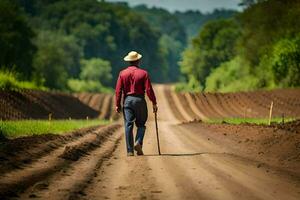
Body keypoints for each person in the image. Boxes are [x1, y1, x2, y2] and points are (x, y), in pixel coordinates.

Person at [115, 51, 158, 156]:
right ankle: (138, 142)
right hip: (139, 101)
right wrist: (154, 102)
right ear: (138, 61)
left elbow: (118, 90)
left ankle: (129, 151)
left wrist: (117, 104)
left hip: (127, 101)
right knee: (141, 125)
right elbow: (148, 90)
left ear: (129, 61)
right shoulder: (144, 73)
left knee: (128, 125)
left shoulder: (122, 73)